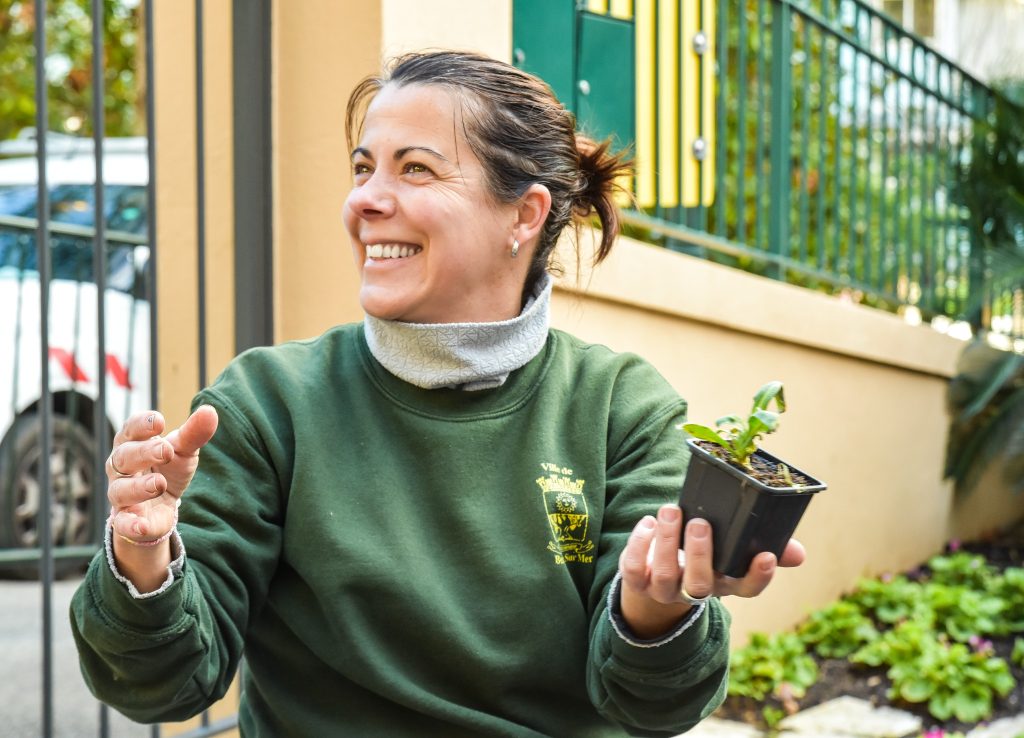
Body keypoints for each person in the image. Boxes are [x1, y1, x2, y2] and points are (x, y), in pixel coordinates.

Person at [71, 50, 805, 737]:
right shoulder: (270, 401)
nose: (367, 200)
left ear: (524, 215)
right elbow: (162, 685)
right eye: (363, 169)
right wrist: (144, 558)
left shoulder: (620, 407)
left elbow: (659, 705)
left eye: (415, 169)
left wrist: (654, 608)